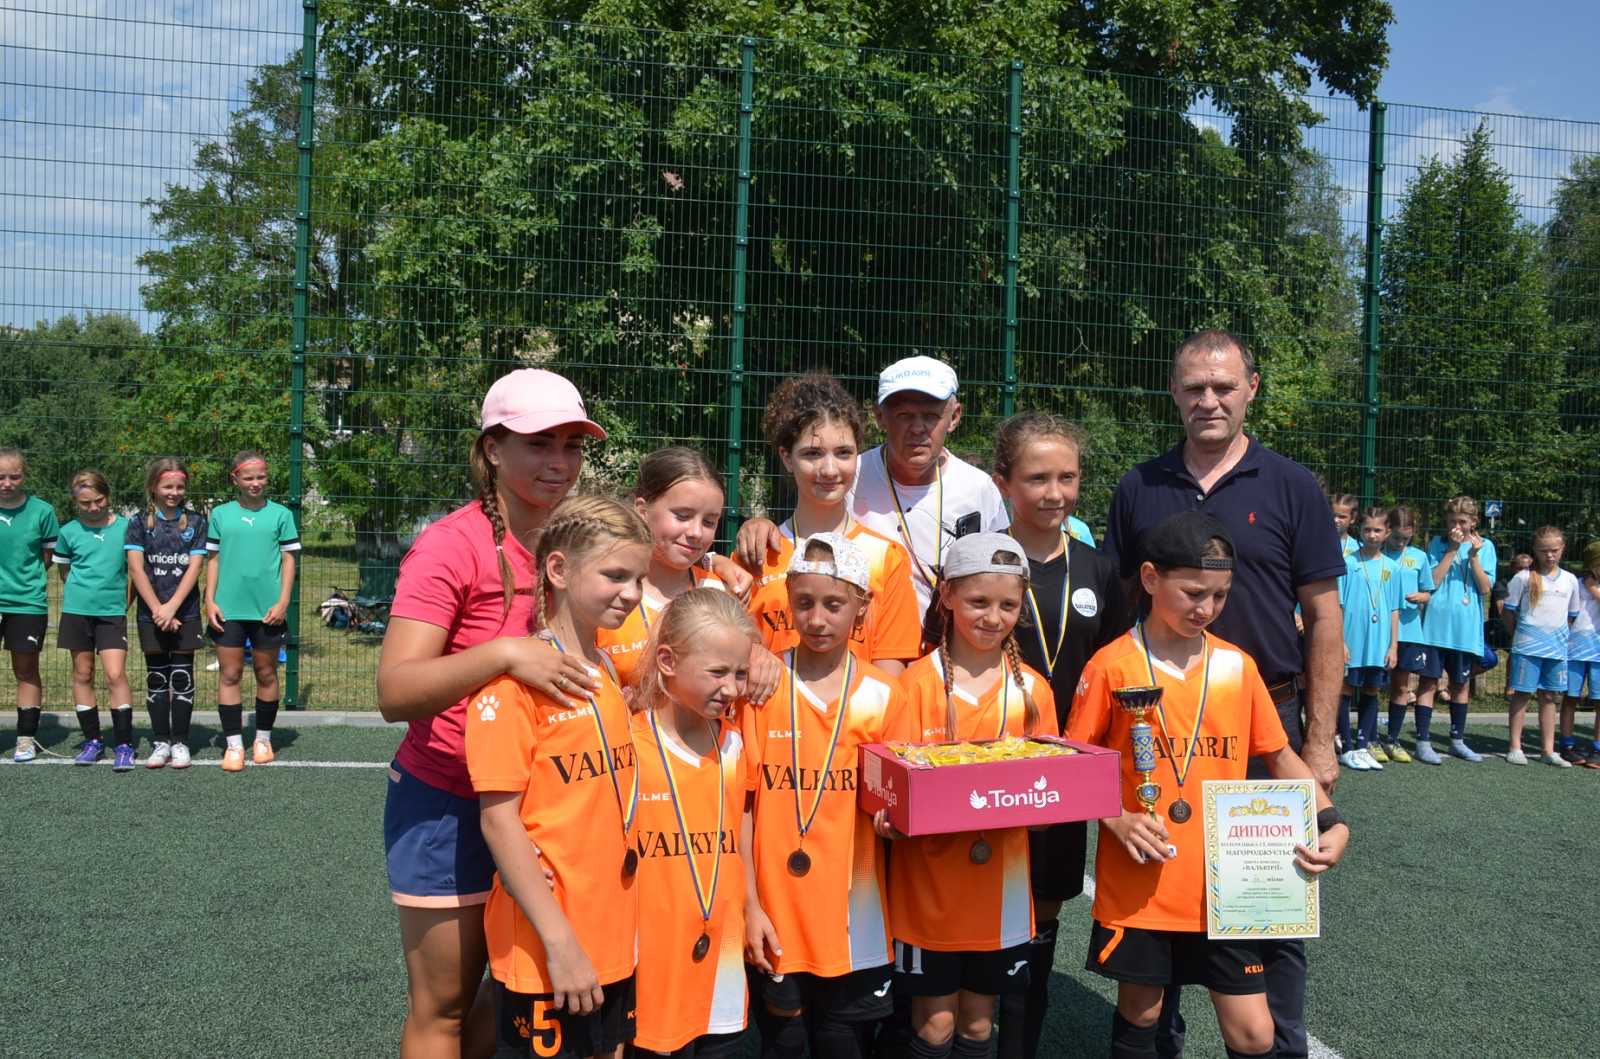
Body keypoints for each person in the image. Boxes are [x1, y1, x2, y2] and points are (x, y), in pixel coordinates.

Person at [1102, 330, 1343, 1059]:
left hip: (1264, 715)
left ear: (1251, 389)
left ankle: (1280, 1046)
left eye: (1224, 386)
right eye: (1194, 387)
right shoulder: (1140, 485)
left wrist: (1319, 739)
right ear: (1174, 392)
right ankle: (1159, 1040)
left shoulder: (1292, 485)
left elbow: (1323, 616)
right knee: (1161, 886)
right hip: (1158, 723)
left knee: (1270, 900)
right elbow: (1121, 607)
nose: (1209, 400)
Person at [377, 369, 617, 1058]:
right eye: (539, 443)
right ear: (492, 449)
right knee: (445, 1006)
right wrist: (505, 653)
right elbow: (395, 689)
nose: (559, 461)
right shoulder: (450, 546)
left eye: (572, 444)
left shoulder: (581, 538)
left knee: (519, 987)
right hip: (449, 801)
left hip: (551, 805)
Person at [1065, 512, 1350, 1059]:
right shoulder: (1111, 665)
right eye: (1193, 593)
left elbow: (1279, 755)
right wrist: (1117, 817)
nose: (1207, 608)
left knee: (1254, 1032)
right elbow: (1076, 765)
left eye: (1219, 595)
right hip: (1143, 883)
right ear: (1151, 578)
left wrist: (1331, 820)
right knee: (1142, 1013)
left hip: (1228, 887)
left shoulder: (1237, 666)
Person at [465, 495, 653, 1059]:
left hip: (611, 934)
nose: (632, 593)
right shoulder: (512, 689)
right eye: (615, 576)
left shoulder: (605, 671)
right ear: (559, 570)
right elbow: (499, 822)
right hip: (549, 946)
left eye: (639, 579)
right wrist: (560, 941)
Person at [881, 532, 1057, 1059]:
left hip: (1000, 892)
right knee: (934, 1025)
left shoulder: (1033, 691)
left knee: (979, 1026)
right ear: (947, 596)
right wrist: (891, 817)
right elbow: (893, 791)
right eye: (979, 601)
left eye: (1008, 605)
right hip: (928, 889)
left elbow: (1050, 798)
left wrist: (1043, 807)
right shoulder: (914, 685)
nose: (993, 617)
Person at [988, 412, 1131, 1059]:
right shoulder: (978, 562)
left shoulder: (1099, 570)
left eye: (1067, 477)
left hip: (1062, 779)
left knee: (1041, 918)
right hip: (987, 770)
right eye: (1037, 478)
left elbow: (1119, 672)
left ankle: (1019, 1045)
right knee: (972, 911)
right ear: (1004, 482)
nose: (1055, 492)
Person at [741, 533, 900, 1059]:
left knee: (843, 1043)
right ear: (787, 600)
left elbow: (897, 807)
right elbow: (742, 809)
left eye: (834, 604)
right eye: (804, 602)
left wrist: (895, 825)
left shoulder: (885, 695)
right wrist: (749, 905)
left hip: (854, 918)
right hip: (776, 912)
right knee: (783, 1043)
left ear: (862, 607)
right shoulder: (761, 688)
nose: (816, 619)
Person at [737, 356, 1009, 625]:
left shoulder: (979, 489)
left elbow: (1004, 576)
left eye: (931, 416)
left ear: (955, 416)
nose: (917, 428)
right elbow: (805, 527)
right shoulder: (848, 476)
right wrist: (760, 526)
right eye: (904, 415)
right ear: (880, 417)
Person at [628, 588, 760, 1057]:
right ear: (667, 661)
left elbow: (737, 832)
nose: (732, 688)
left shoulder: (735, 745)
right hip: (650, 963)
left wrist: (753, 907)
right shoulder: (629, 746)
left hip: (722, 964)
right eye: (717, 672)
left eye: (740, 673)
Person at [741, 373, 921, 676]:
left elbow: (891, 675)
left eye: (843, 453)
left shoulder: (887, 558)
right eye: (812, 454)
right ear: (787, 458)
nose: (829, 469)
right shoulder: (757, 553)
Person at [596, 447, 729, 687]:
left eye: (709, 522)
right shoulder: (603, 594)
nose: (696, 532)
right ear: (642, 511)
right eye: (682, 516)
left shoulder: (720, 590)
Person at [204, 451, 300, 772]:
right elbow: (213, 560)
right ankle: (234, 745)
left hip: (268, 610)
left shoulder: (281, 515)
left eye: (261, 477)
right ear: (235, 479)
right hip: (228, 609)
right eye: (248, 477)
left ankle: (262, 739)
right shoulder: (220, 514)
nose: (255, 483)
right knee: (230, 674)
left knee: (266, 673)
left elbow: (289, 560)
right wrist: (210, 600)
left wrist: (283, 602)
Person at [125, 457, 208, 770]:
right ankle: (161, 742)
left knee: (182, 677)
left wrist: (172, 607)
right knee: (157, 677)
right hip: (151, 614)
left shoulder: (197, 522)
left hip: (185, 612)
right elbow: (136, 569)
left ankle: (181, 742)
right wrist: (158, 609)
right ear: (153, 487)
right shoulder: (138, 522)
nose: (174, 492)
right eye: (167, 486)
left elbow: (194, 568)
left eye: (179, 487)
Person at [53, 470, 136, 770]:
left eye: (98, 500)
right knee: (82, 673)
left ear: (107, 496)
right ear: (76, 502)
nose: (93, 507)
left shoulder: (127, 527)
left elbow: (135, 573)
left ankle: (124, 744)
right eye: (85, 503)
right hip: (77, 612)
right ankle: (93, 741)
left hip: (112, 614)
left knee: (115, 674)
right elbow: (65, 572)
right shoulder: (68, 532)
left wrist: (122, 603)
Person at [1414, 496, 1496, 765]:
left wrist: (1473, 557)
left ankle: (1457, 741)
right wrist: (1452, 550)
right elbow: (1431, 582)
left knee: (1460, 685)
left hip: (1465, 629)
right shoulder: (1438, 544)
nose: (1457, 527)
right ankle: (1423, 742)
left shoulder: (1486, 547)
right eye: (1452, 521)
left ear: (1474, 522)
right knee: (1428, 682)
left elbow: (1485, 588)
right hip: (1435, 627)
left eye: (1462, 521)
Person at [1502, 526, 1580, 768]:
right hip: (1527, 649)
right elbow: (1509, 612)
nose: (1550, 555)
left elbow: (1571, 616)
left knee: (1549, 697)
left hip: (1556, 650)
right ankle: (1515, 747)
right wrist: (1521, 636)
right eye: (1544, 550)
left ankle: (1548, 750)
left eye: (1554, 550)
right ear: (1535, 550)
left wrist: (1556, 639)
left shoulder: (1570, 580)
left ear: (1562, 548)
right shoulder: (1523, 578)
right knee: (1522, 695)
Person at [1, 447, 58, 763]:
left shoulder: (42, 511)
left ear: (24, 475)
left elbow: (46, 558)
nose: (7, 483)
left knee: (25, 669)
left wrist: (22, 582)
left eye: (14, 476)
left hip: (26, 603)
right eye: (0, 477)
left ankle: (25, 738)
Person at [1336, 507, 1400, 773]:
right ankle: (1347, 748)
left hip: (1379, 642)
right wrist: (1341, 641)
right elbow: (1338, 605)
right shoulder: (1348, 563)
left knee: (1372, 690)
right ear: (1359, 531)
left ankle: (1363, 746)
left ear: (1387, 532)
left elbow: (1394, 609)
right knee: (1345, 689)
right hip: (1352, 639)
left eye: (1377, 530)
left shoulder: (1392, 567)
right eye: (1367, 530)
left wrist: (1393, 645)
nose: (1372, 535)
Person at [1380, 505, 1433, 764]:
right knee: (1371, 685)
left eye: (1406, 538)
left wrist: (1421, 596)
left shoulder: (1419, 557)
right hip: (1379, 631)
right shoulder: (1377, 554)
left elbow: (1428, 591)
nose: (1401, 542)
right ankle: (1365, 739)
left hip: (1409, 631)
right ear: (1387, 530)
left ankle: (1392, 739)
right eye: (1397, 537)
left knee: (1401, 686)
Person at [1560, 541, 1600, 767]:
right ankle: (1567, 745)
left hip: (1598, 653)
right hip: (1573, 651)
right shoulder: (1573, 584)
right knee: (1570, 698)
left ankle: (1598, 748)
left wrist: (1594, 590)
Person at [1328, 494, 1358, 559]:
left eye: (1342, 517)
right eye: (1332, 515)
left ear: (1353, 518)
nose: (1336, 520)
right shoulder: (1316, 542)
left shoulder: (1358, 548)